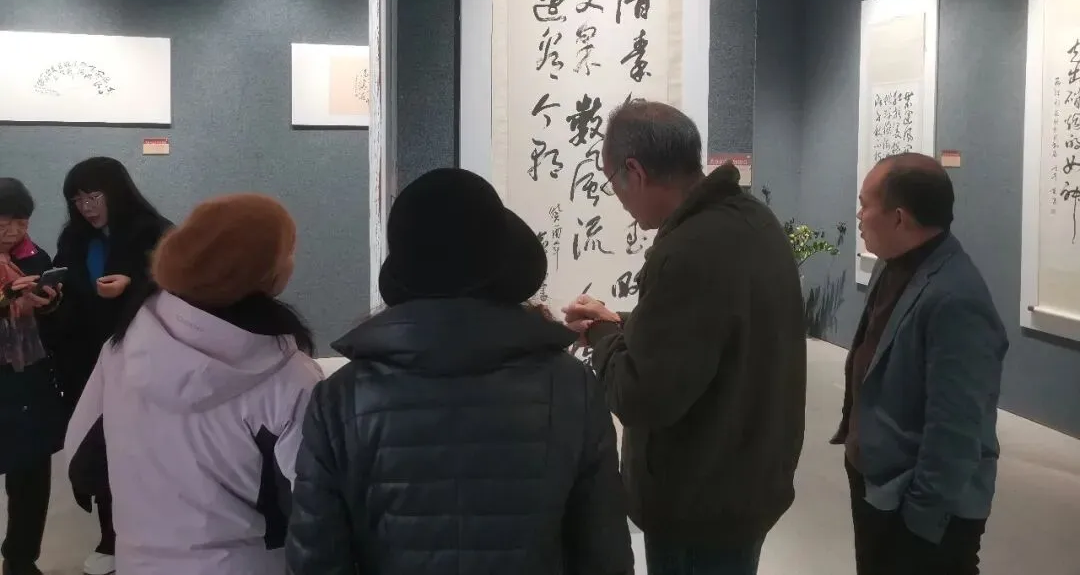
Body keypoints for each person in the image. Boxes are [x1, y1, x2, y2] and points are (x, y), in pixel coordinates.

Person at [286, 168, 633, 575]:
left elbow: (316, 560)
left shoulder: (341, 398)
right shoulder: (571, 386)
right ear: (504, 263)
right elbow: (603, 553)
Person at [564, 100, 806, 575]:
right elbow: (707, 329)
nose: (619, 199)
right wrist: (618, 321)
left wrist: (604, 334)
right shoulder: (754, 221)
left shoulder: (689, 248)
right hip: (747, 480)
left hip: (699, 501)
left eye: (612, 182)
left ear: (634, 171)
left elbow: (641, 395)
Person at [64, 193, 323, 575]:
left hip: (140, 561)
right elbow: (314, 505)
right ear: (264, 272)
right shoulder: (291, 376)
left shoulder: (122, 348)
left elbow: (81, 459)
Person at [833, 153, 1008, 575]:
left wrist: (921, 518)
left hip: (921, 509)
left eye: (865, 205)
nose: (858, 216)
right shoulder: (894, 265)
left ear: (899, 218)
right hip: (878, 482)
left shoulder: (956, 298)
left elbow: (956, 428)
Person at [53, 157, 171, 575]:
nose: (86, 207)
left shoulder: (155, 231)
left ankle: (154, 531)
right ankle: (111, 535)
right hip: (89, 361)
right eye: (77, 200)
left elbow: (180, 286)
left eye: (94, 196)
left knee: (146, 450)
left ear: (116, 191)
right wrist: (49, 302)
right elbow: (66, 295)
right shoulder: (74, 239)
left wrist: (132, 285)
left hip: (143, 359)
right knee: (101, 447)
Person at [0, 179, 65, 575]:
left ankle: (21, 558)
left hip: (28, 375)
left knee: (31, 469)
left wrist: (49, 302)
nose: (13, 232)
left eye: (21, 222)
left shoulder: (34, 256)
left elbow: (52, 318)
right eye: (3, 222)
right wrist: (5, 300)